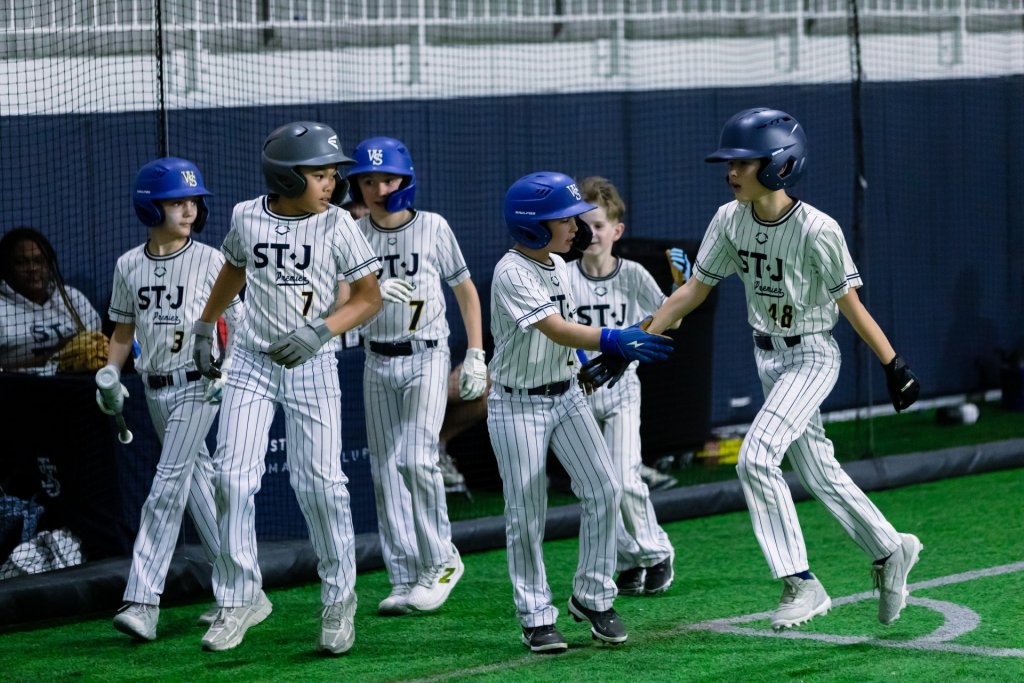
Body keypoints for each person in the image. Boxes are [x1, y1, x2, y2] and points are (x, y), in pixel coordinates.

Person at [644, 107, 923, 630]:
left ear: (780, 166)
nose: (730, 173)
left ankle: (801, 582)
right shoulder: (728, 219)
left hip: (813, 355)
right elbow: (691, 292)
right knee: (819, 471)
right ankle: (890, 549)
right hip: (768, 357)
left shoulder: (819, 229)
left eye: (742, 163)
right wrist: (631, 341)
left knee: (755, 458)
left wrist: (894, 363)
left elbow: (852, 306)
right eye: (728, 164)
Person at [190, 121, 382, 655]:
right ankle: (240, 595)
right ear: (285, 177)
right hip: (251, 360)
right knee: (230, 478)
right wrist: (208, 325)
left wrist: (321, 330)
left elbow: (369, 297)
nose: (332, 184)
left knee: (322, 487)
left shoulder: (339, 225)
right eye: (319, 175)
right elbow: (232, 267)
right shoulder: (246, 216)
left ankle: (340, 598)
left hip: (314, 363)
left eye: (331, 174)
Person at [488, 171, 673, 653]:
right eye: (564, 219)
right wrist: (613, 339)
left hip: (567, 394)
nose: (577, 228)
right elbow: (554, 327)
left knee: (605, 488)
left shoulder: (553, 262)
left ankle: (592, 596)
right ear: (533, 224)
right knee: (526, 514)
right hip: (517, 404)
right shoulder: (512, 271)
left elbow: (567, 333)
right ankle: (535, 615)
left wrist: (593, 363)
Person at [100, 157, 240, 642]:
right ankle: (241, 590)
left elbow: (238, 322)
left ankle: (143, 601)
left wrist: (230, 369)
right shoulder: (128, 264)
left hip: (200, 383)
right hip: (155, 386)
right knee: (198, 486)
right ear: (150, 206)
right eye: (176, 202)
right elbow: (123, 330)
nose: (188, 210)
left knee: (164, 490)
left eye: (192, 201)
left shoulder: (213, 260)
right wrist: (111, 372)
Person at [347, 136, 485, 616]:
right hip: (375, 359)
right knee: (384, 471)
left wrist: (475, 353)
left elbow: (465, 290)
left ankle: (442, 560)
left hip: (426, 355)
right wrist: (373, 292)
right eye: (369, 180)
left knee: (414, 457)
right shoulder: (353, 236)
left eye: (388, 179)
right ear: (358, 186)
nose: (381, 188)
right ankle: (405, 576)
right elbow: (341, 305)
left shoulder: (433, 226)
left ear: (406, 179)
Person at [568, 176, 681, 598]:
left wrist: (678, 290)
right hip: (577, 394)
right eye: (582, 225)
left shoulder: (632, 274)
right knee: (594, 485)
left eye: (598, 225)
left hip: (622, 392)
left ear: (617, 230)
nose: (590, 233)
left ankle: (656, 552)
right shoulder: (563, 275)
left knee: (624, 477)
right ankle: (629, 559)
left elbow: (672, 317)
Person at [0, 228, 102, 375]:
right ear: (6, 268)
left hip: (77, 388)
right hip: (20, 391)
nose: (33, 268)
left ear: (49, 265)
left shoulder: (72, 298)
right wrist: (56, 355)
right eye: (22, 263)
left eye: (39, 260)